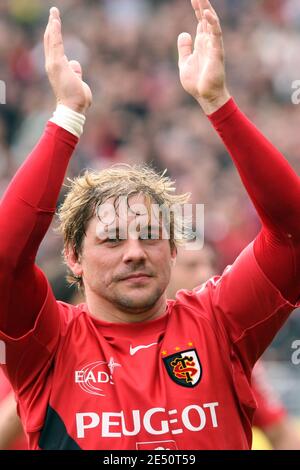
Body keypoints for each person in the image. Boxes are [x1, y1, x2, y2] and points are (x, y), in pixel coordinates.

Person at [0, 0, 299, 450]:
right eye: (113, 239)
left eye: (151, 236)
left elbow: (293, 232)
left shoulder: (220, 323)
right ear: (74, 258)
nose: (135, 251)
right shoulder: (49, 344)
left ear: (173, 252)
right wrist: (68, 116)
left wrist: (219, 104)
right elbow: (4, 259)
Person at [167, 245, 300, 450]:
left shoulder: (225, 345)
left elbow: (281, 433)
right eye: (191, 266)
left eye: (210, 264)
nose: (206, 273)